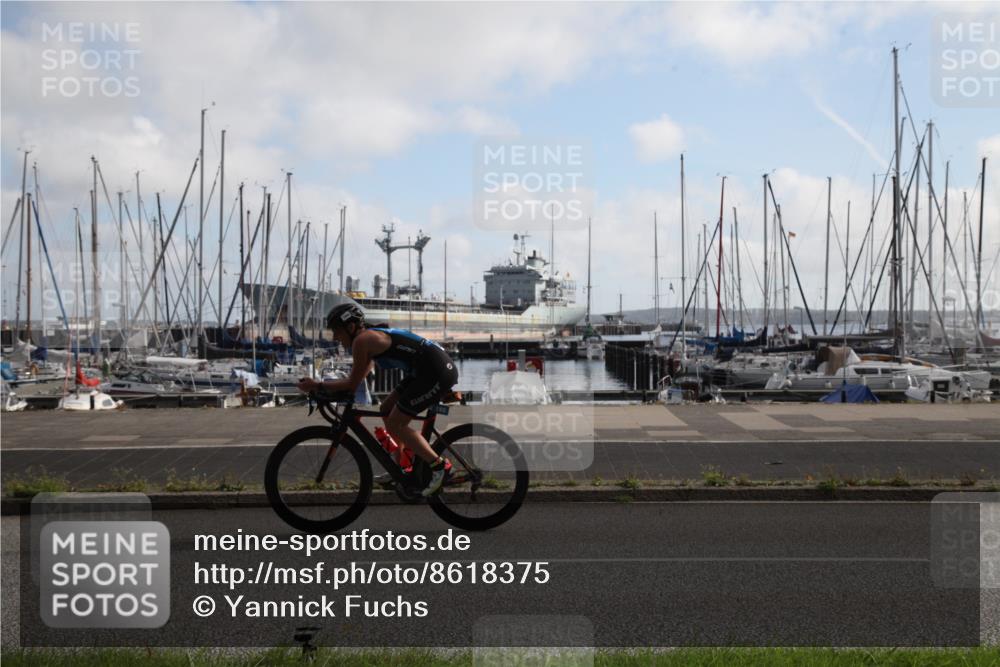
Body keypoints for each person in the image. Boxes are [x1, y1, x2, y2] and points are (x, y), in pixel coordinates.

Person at [296, 303, 458, 496]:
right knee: (386, 409)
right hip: (424, 370)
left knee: (397, 423)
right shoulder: (368, 339)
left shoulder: (362, 341)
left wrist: (317, 385)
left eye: (336, 331)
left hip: (435, 372)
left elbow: (350, 384)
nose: (335, 338)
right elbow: (356, 382)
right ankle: (402, 466)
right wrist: (327, 389)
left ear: (350, 327)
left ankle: (440, 467)